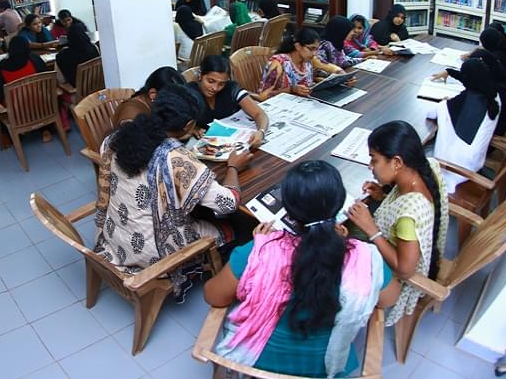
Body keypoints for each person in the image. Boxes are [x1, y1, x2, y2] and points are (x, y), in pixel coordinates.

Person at [205, 160, 398, 377]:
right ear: (339, 204)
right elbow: (389, 299)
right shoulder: (364, 259)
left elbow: (214, 296)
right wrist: (344, 246)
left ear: (289, 212)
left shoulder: (259, 251)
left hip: (256, 363)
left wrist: (259, 248)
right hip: (324, 369)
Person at [94, 84, 253, 302]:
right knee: (242, 226)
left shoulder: (115, 138)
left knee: (196, 206)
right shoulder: (175, 159)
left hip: (116, 236)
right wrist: (234, 166)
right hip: (151, 253)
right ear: (189, 125)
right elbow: (228, 203)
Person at [346, 120, 448, 327]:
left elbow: (404, 270)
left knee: (336, 241)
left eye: (374, 160)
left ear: (397, 162)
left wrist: (371, 230)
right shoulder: (422, 171)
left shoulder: (408, 215)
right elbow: (400, 215)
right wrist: (382, 196)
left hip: (394, 281)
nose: (370, 166)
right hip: (394, 246)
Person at [427, 58, 499, 193]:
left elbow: (431, 114)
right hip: (475, 162)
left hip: (453, 170)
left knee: (417, 152)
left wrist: (443, 102)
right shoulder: (492, 100)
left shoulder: (459, 104)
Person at [188, 55, 268, 147]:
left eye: (221, 84)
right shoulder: (189, 93)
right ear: (200, 75)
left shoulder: (231, 89)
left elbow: (259, 114)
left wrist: (261, 132)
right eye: (211, 81)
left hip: (236, 142)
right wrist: (193, 128)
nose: (215, 88)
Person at [0, 36, 55, 142]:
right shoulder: (35, 59)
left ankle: (20, 132)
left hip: (17, 111)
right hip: (42, 106)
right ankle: (46, 129)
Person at [257, 27, 319, 101]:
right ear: (298, 46)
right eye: (311, 49)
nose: (314, 53)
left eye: (316, 49)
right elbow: (262, 96)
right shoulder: (279, 63)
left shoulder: (308, 62)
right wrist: (291, 89)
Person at [112, 66, 185, 126]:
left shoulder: (152, 106)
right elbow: (135, 139)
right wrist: (178, 134)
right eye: (172, 100)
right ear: (153, 95)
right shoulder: (131, 112)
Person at [56, 21, 100, 88]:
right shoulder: (94, 48)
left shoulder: (61, 55)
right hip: (97, 85)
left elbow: (61, 80)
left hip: (78, 90)